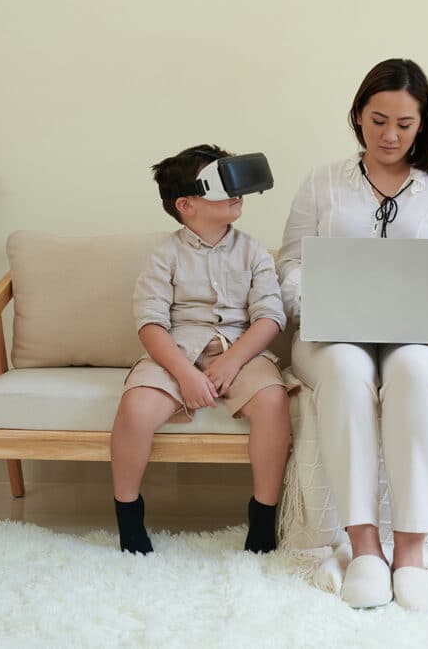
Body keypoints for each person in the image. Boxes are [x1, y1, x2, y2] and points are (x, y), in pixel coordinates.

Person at [277, 59, 428, 610]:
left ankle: (412, 554)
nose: (390, 135)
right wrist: (319, 299)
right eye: (378, 121)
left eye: (404, 123)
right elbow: (289, 265)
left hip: (425, 341)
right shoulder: (321, 182)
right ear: (357, 116)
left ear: (423, 123)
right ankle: (365, 550)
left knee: (411, 370)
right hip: (333, 337)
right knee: (349, 370)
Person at [111, 144, 295, 556]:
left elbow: (270, 316)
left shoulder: (254, 252)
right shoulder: (165, 256)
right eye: (220, 184)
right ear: (187, 205)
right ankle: (127, 513)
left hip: (242, 351)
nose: (236, 193)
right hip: (176, 351)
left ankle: (263, 517)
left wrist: (233, 361)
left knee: (272, 401)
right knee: (136, 409)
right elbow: (150, 323)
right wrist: (184, 374)